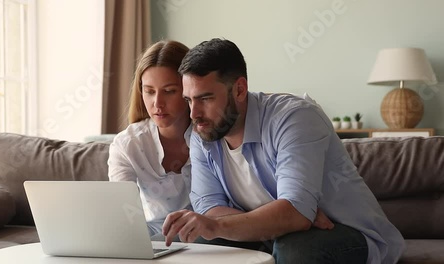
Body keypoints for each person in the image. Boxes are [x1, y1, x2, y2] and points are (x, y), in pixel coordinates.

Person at [162, 38, 405, 263]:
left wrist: (292, 217)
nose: (194, 114)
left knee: (294, 249)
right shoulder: (204, 134)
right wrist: (283, 219)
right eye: (189, 100)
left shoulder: (294, 118)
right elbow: (209, 208)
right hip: (277, 235)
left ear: (239, 89)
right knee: (203, 242)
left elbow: (293, 213)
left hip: (344, 231)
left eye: (205, 98)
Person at [107, 40, 192, 236]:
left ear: (189, 89)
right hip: (152, 240)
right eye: (149, 91)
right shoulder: (128, 144)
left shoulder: (210, 137)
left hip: (206, 239)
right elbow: (122, 212)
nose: (157, 103)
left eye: (169, 91)